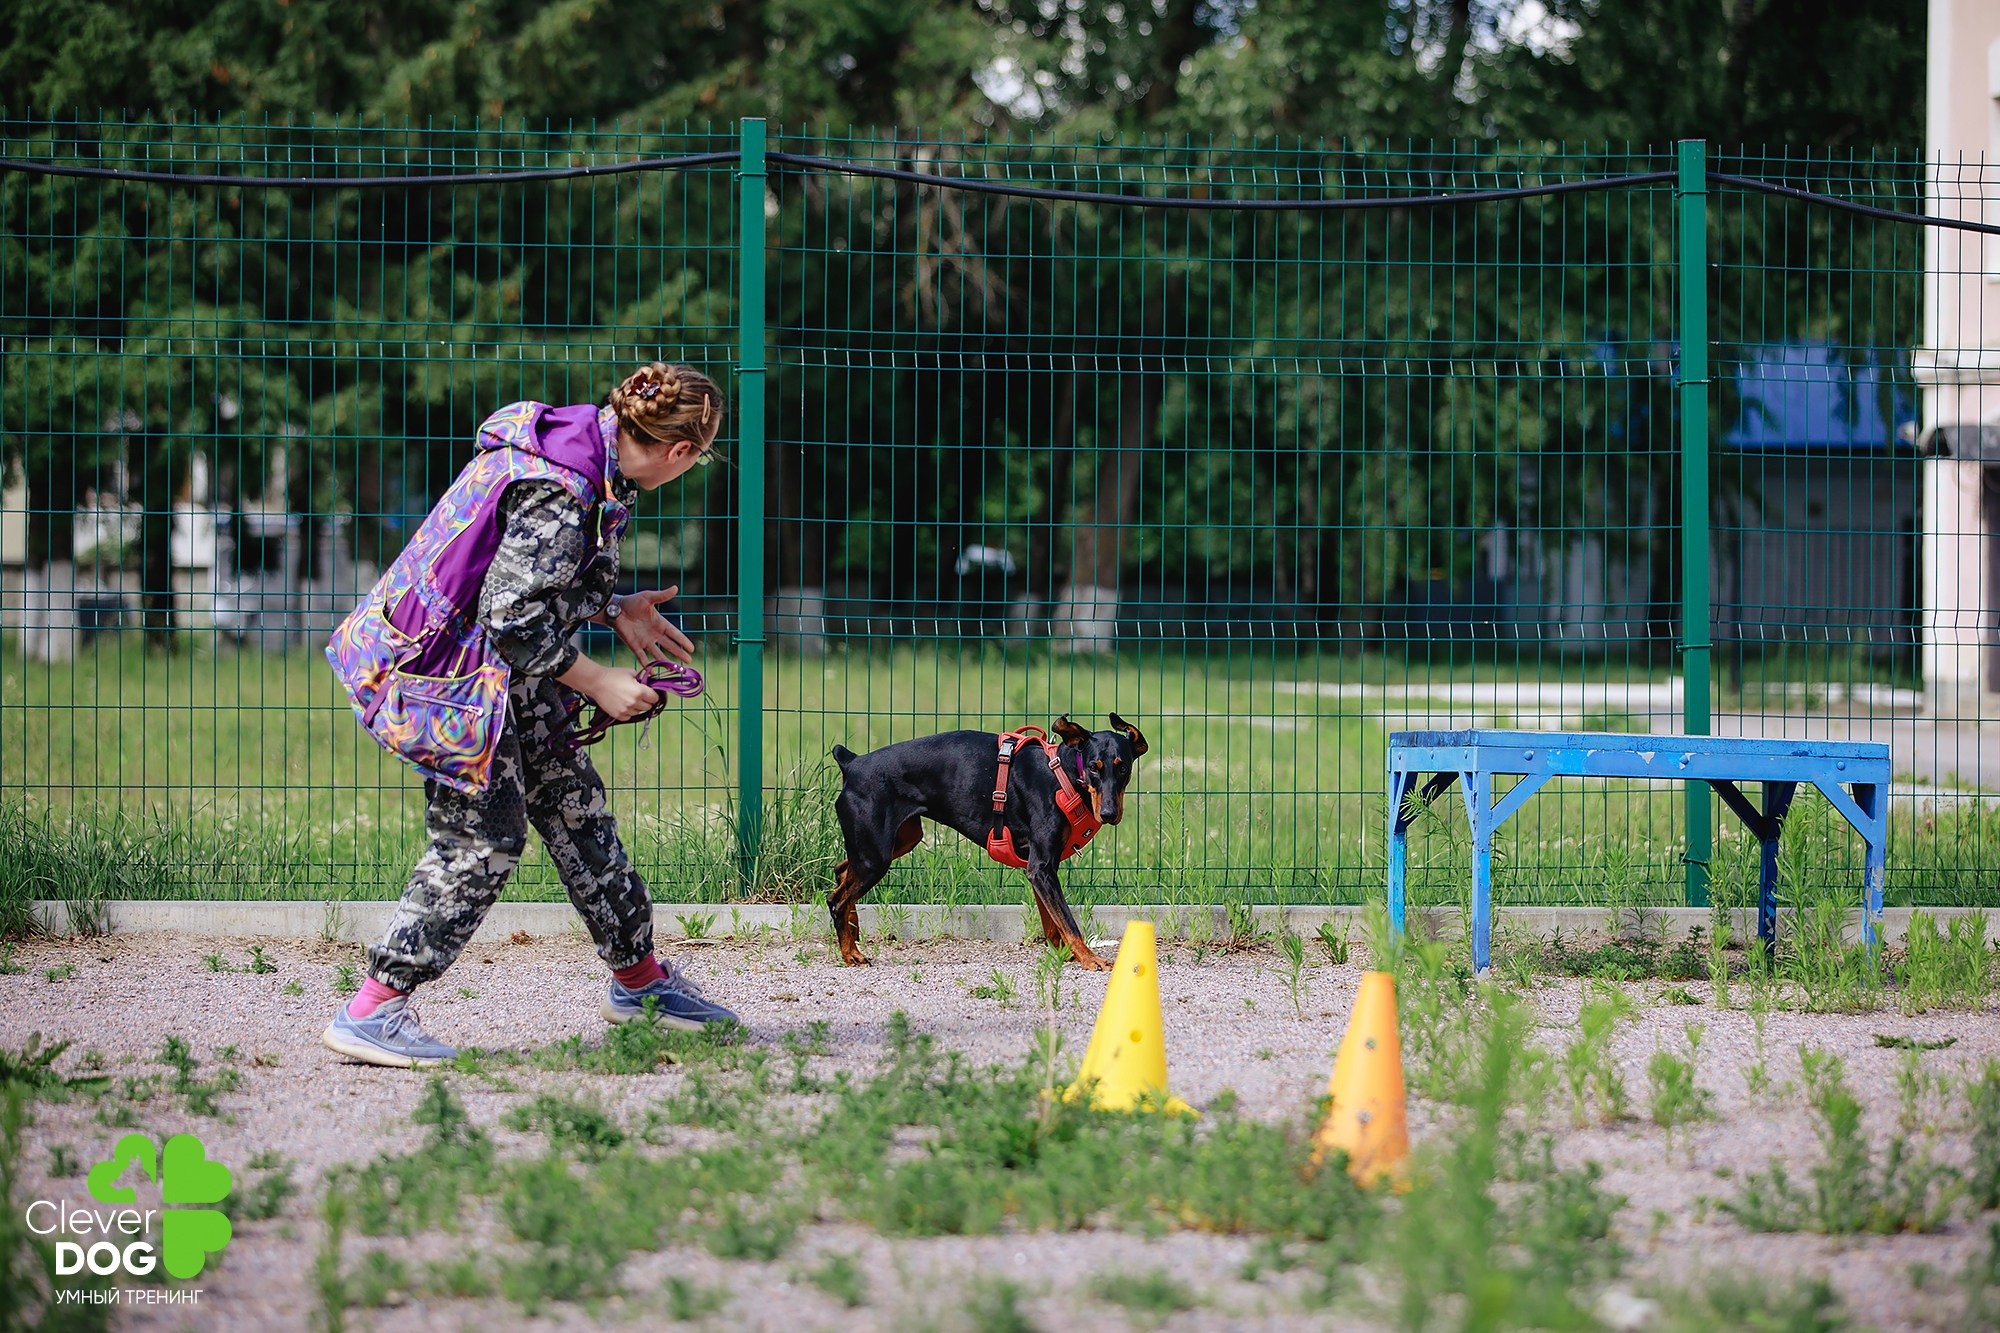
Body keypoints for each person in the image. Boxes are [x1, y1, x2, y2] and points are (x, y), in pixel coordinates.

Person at [322, 363, 736, 1068]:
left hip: (499, 670)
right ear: (678, 451)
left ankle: (639, 983)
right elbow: (512, 618)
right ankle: (374, 1007)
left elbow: (519, 577)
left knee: (575, 806)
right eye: (701, 455)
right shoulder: (565, 485)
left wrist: (612, 608)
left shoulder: (582, 448)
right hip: (449, 674)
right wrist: (600, 679)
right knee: (484, 836)